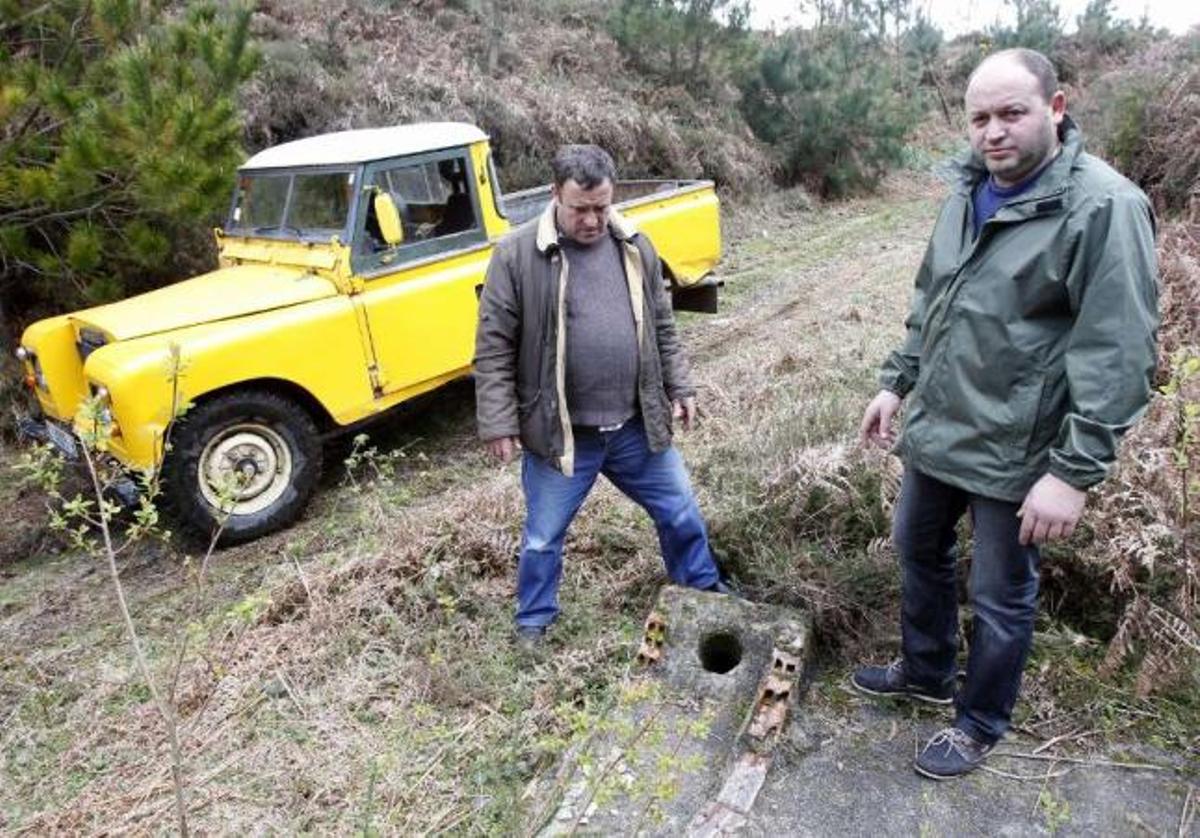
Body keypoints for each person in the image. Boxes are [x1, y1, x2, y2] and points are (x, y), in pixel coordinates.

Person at [855, 48, 1158, 780]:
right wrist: (897, 382)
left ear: (1056, 108)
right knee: (917, 548)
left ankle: (979, 722)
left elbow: (1118, 353)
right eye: (979, 118)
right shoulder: (967, 189)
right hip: (942, 426)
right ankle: (928, 672)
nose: (993, 132)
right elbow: (934, 297)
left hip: (1019, 446)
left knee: (1000, 594)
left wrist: (1072, 473)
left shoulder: (1104, 207)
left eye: (1012, 113)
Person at [474, 144, 728, 646]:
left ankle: (701, 588)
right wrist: (499, 421)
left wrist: (679, 385)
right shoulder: (517, 255)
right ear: (555, 195)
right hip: (564, 435)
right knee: (543, 535)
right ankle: (534, 621)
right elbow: (494, 345)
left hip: (635, 426)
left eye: (601, 207)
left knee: (680, 510)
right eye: (580, 209)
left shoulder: (635, 246)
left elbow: (662, 326)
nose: (592, 220)